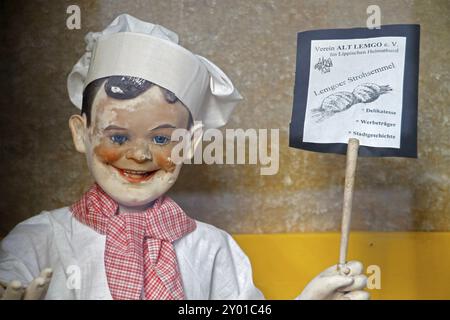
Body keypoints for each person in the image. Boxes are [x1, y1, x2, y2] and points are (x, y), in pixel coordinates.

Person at [0, 14, 369, 300]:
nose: (140, 153)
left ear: (190, 144)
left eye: (162, 137)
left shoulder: (213, 249)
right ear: (81, 134)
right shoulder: (36, 242)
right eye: (118, 135)